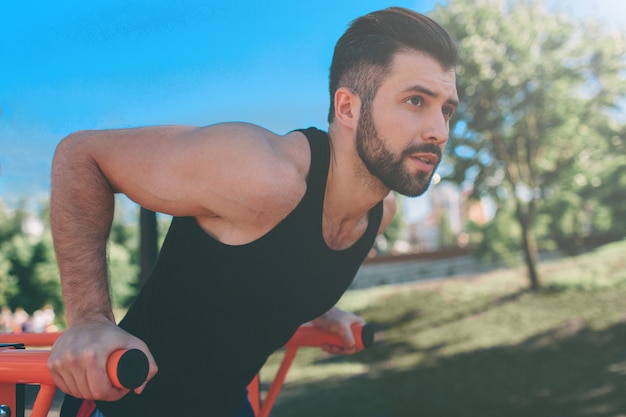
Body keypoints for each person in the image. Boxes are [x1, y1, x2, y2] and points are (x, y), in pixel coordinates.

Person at [48, 6, 459, 417]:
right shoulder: (261, 174)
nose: (439, 131)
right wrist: (89, 319)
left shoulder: (376, 214)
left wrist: (324, 313)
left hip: (227, 406)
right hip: (125, 403)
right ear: (348, 108)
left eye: (446, 110)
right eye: (415, 100)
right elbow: (82, 156)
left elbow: (273, 264)